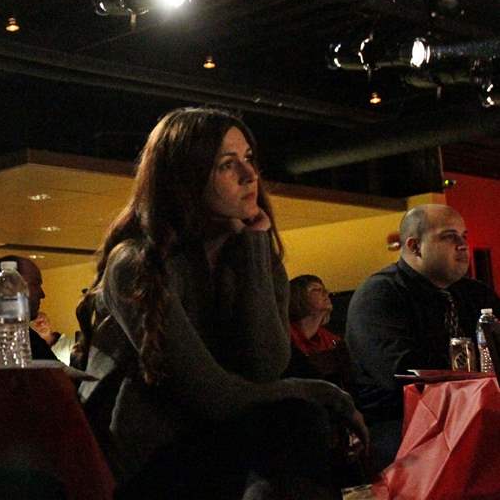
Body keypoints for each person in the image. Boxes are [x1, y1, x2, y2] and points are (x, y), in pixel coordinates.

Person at [76, 107, 367, 500]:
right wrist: (326, 393)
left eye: (249, 158)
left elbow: (265, 365)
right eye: (227, 165)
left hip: (222, 441)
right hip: (149, 462)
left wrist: (254, 248)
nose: (250, 175)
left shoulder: (250, 252)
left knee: (294, 425)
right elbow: (213, 397)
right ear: (187, 177)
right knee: (296, 418)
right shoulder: (136, 263)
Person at [345, 204, 500, 469]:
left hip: (471, 411)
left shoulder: (475, 293)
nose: (463, 245)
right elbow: (400, 372)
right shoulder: (380, 294)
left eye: (463, 235)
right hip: (401, 420)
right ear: (415, 246)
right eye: (449, 236)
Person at [285, 275, 351, 388]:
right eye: (316, 290)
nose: (326, 293)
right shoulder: (285, 337)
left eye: (325, 289)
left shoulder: (332, 340)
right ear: (298, 297)